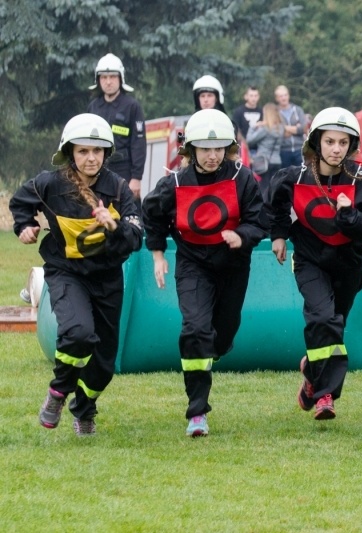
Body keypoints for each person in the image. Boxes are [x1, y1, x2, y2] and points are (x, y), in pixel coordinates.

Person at [9, 113, 143, 435]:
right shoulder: (50, 183)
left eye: (97, 151)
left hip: (107, 277)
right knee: (79, 333)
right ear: (70, 152)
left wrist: (115, 225)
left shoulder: (119, 190)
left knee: (105, 365)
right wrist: (24, 226)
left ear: (106, 154)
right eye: (83, 151)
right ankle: (57, 393)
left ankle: (83, 409)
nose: (91, 158)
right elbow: (20, 203)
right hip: (66, 272)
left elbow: (136, 236)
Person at [142, 109, 268, 437]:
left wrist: (242, 236)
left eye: (218, 149)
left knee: (221, 337)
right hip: (192, 265)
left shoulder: (242, 179)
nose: (212, 156)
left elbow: (260, 221)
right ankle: (197, 412)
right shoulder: (175, 182)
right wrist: (158, 255)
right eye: (205, 149)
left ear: (228, 149)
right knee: (196, 331)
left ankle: (215, 347)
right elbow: (152, 214)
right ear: (191, 150)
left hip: (233, 267)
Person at [266, 107, 362, 420]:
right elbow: (275, 206)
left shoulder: (361, 181)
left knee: (335, 327)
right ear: (316, 143)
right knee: (322, 319)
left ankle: (311, 372)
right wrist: (278, 236)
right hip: (309, 261)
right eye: (330, 141)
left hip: (350, 264)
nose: (336, 149)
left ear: (351, 146)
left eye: (343, 143)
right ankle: (325, 396)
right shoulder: (294, 177)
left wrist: (349, 215)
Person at [87, 53, 147, 202]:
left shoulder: (132, 106)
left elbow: (138, 144)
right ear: (98, 80)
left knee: (128, 217)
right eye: (104, 77)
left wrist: (136, 178)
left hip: (124, 171)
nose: (108, 82)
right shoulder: (93, 107)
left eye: (112, 77)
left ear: (120, 78)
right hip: (97, 170)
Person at [246, 102, 284, 197]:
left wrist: (254, 127)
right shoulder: (281, 128)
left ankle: (263, 210)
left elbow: (249, 140)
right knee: (273, 188)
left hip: (264, 162)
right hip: (277, 161)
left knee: (263, 188)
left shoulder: (265, 129)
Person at [274, 85, 307, 169]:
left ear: (288, 96)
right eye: (281, 96)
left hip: (299, 149)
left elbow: (303, 128)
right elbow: (275, 130)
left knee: (300, 176)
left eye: (285, 95)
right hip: (283, 150)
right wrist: (294, 128)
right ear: (277, 98)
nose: (284, 98)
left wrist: (284, 127)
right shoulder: (275, 112)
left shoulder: (297, 110)